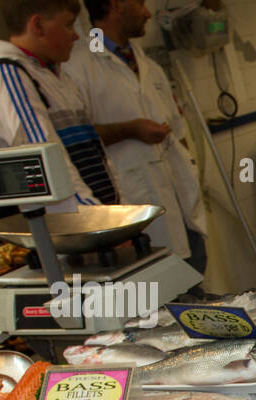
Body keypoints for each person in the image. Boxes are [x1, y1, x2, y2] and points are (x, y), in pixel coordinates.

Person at [64, 0, 208, 278]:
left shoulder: (148, 65)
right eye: (140, 3)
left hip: (180, 205)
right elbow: (73, 139)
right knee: (159, 296)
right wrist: (130, 129)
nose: (147, 13)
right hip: (133, 211)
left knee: (195, 281)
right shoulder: (77, 66)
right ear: (116, 5)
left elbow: (178, 131)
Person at [0, 0, 120, 212]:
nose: (76, 36)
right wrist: (99, 220)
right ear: (38, 25)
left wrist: (119, 210)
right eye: (68, 25)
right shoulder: (7, 76)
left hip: (102, 220)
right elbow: (47, 163)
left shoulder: (58, 76)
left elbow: (98, 155)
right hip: (75, 227)